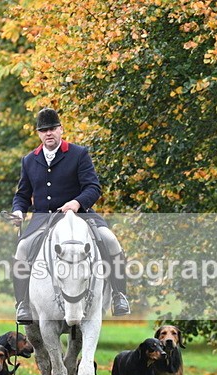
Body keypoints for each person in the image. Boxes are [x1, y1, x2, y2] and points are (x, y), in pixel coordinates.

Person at [11, 107, 130, 324]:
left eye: (52, 129)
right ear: (38, 134)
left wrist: (76, 203)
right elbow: (22, 194)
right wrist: (18, 210)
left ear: (61, 129)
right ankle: (22, 304)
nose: (48, 133)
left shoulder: (78, 153)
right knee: (22, 249)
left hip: (81, 216)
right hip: (44, 220)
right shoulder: (29, 160)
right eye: (44, 130)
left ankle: (119, 295)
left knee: (111, 240)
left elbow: (93, 187)